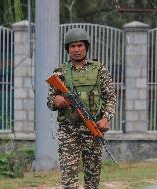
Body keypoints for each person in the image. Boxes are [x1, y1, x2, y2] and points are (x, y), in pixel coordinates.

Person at [47, 28, 116, 189]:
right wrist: (56, 100)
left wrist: (106, 118)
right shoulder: (60, 73)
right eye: (72, 46)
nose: (76, 50)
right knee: (69, 178)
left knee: (92, 178)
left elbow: (110, 97)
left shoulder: (99, 69)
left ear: (86, 47)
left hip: (92, 129)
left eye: (80, 45)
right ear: (67, 49)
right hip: (68, 130)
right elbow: (50, 102)